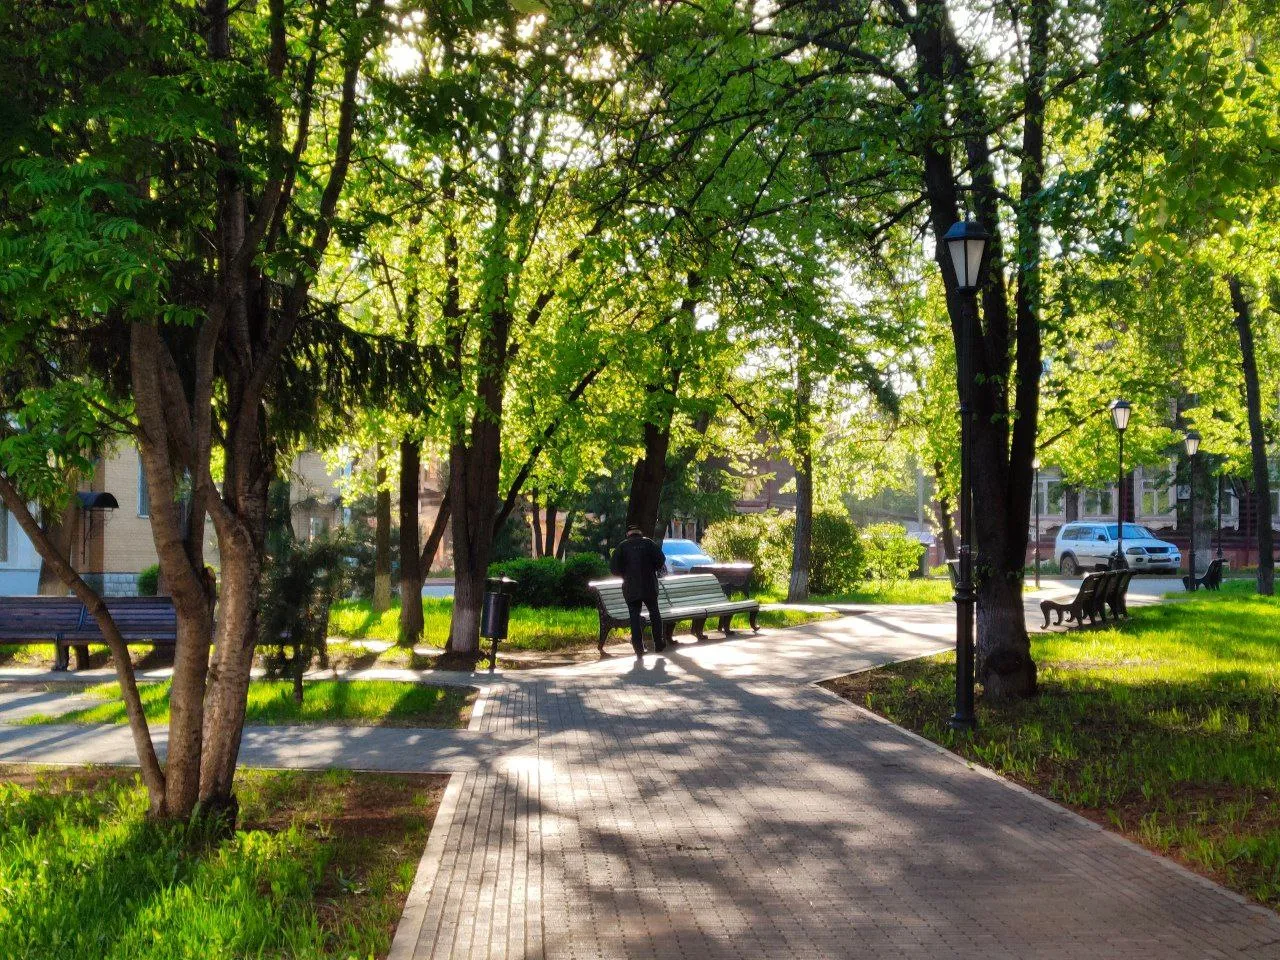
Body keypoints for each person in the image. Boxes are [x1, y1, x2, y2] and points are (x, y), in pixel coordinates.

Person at [609, 525, 666, 657]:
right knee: (654, 612)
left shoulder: (622, 547)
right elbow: (661, 560)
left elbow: (613, 568)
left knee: (634, 616)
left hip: (631, 586)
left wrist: (625, 574)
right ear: (639, 533)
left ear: (628, 534)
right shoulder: (649, 543)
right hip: (649, 585)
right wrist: (652, 569)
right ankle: (658, 642)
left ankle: (638, 647)